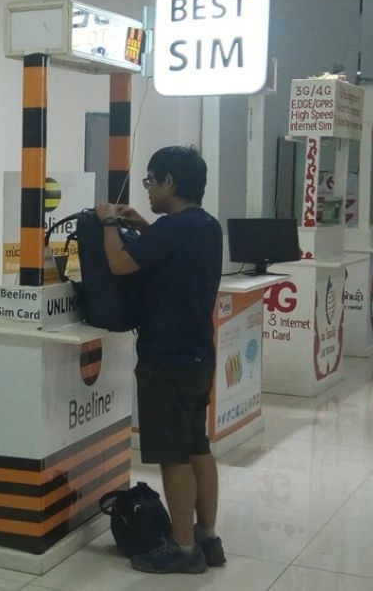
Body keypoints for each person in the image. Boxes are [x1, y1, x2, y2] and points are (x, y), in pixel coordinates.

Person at [95, 146, 224, 574]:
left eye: (151, 180)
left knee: (174, 456)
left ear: (171, 181)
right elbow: (172, 255)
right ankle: (207, 537)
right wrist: (143, 227)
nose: (148, 189)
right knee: (196, 446)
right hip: (198, 355)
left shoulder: (173, 227)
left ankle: (182, 549)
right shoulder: (205, 226)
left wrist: (108, 222)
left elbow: (119, 264)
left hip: (166, 356)